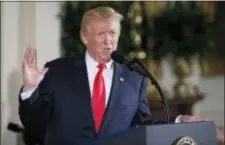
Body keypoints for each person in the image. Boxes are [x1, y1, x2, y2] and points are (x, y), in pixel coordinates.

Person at [18, 7, 224, 145]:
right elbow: (35, 126)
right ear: (84, 37)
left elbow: (143, 125)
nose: (108, 41)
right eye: (101, 34)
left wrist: (179, 122)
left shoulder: (135, 77)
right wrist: (30, 90)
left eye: (113, 34)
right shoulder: (57, 71)